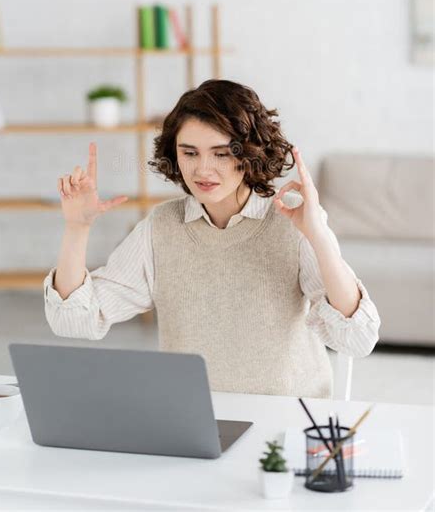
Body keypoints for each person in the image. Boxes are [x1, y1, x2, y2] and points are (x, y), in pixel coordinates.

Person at [44, 79, 380, 398]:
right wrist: (77, 228)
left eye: (221, 153)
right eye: (190, 153)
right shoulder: (162, 226)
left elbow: (357, 338)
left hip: (286, 418)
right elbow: (74, 320)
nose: (203, 170)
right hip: (194, 418)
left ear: (249, 153)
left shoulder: (292, 219)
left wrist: (318, 235)